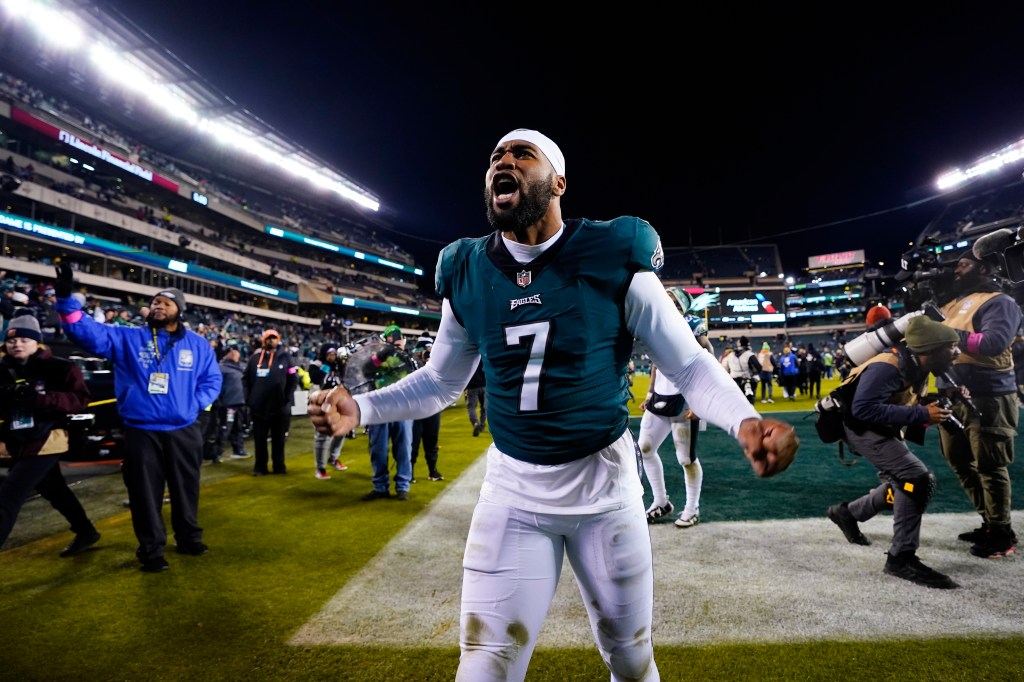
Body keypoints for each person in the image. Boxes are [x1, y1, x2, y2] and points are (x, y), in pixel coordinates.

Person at [307, 128, 798, 682]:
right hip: (513, 490)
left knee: (631, 660)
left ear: (558, 181)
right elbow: (441, 383)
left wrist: (745, 420)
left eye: (522, 154)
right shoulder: (467, 268)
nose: (503, 162)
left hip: (604, 491)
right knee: (484, 666)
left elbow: (687, 364)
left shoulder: (612, 253)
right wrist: (363, 409)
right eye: (496, 156)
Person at [54, 272, 221, 572]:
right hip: (141, 431)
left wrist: (193, 405)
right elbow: (85, 332)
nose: (157, 306)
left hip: (183, 429)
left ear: (179, 311)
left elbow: (212, 380)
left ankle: (188, 538)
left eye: (165, 303)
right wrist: (66, 300)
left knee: (186, 488)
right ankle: (151, 550)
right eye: (154, 302)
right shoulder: (128, 338)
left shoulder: (198, 345)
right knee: (144, 494)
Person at [821, 316, 962, 588]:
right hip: (861, 427)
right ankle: (901, 558)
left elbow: (900, 396)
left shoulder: (914, 361)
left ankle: (848, 513)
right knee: (916, 479)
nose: (957, 352)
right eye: (951, 346)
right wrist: (922, 413)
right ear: (930, 349)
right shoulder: (888, 366)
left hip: (879, 426)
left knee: (903, 483)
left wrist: (938, 399)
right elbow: (864, 409)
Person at [936, 251, 1020, 558]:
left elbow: (993, 343)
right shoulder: (952, 304)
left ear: (983, 267)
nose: (956, 270)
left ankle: (1001, 533)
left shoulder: (999, 302)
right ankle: (991, 522)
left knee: (990, 464)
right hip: (950, 394)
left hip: (988, 394)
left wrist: (945, 333)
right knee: (959, 462)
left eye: (963, 264)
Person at [0, 313, 101, 557]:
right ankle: (86, 531)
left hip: (47, 440)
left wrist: (42, 400)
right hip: (16, 441)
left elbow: (81, 400)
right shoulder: (2, 370)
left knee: (8, 496)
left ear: (38, 342)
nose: (17, 344)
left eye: (25, 339)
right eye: (13, 340)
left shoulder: (60, 367)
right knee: (53, 489)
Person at [638, 287, 716, 528]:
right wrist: (650, 393)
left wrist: (699, 398)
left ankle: (692, 508)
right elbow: (655, 363)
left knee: (685, 458)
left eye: (672, 299)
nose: (666, 302)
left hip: (684, 396)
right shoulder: (656, 325)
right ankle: (661, 502)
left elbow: (708, 356)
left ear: (682, 305)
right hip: (660, 395)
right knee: (645, 450)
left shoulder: (692, 325)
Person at [361, 325, 417, 501]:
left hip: (403, 409)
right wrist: (382, 354)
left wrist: (400, 352)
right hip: (379, 409)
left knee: (403, 448)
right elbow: (366, 370)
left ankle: (402, 486)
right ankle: (380, 486)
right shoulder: (378, 357)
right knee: (378, 449)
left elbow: (416, 372)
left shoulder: (409, 358)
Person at [243, 329, 297, 476]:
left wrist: (286, 398)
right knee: (259, 440)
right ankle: (260, 467)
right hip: (259, 407)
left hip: (280, 407)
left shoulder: (286, 358)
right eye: (268, 338)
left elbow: (293, 379)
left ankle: (279, 466)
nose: (271, 341)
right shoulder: (254, 359)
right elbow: (245, 379)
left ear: (278, 340)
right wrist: (249, 399)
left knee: (279, 440)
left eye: (274, 338)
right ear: (263, 340)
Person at [306, 345, 348, 479]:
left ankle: (333, 458)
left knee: (342, 431)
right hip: (320, 403)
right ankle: (320, 468)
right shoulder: (316, 365)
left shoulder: (338, 366)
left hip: (338, 402)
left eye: (335, 353)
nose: (333, 356)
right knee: (323, 434)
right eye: (330, 353)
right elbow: (317, 379)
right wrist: (328, 364)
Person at [410, 339, 443, 482]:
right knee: (413, 443)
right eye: (425, 350)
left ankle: (432, 470)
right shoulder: (410, 363)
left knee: (432, 442)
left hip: (432, 408)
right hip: (415, 410)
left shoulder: (436, 364)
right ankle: (409, 472)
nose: (427, 353)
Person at [216, 343, 251, 460]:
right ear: (229, 353)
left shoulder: (239, 367)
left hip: (239, 402)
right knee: (225, 428)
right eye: (235, 352)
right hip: (227, 403)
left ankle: (238, 450)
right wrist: (220, 401)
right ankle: (217, 453)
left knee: (238, 428)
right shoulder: (221, 367)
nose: (237, 354)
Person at [726, 335, 759, 404]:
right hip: (745, 379)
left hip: (733, 380)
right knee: (749, 399)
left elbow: (726, 369)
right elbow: (758, 367)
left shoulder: (729, 356)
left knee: (735, 401)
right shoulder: (748, 354)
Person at [464, 362, 486, 436]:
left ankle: (476, 423)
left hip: (471, 388)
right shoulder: (482, 358)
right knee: (484, 407)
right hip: (484, 386)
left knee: (471, 407)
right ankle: (482, 425)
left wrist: (465, 391)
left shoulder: (467, 360)